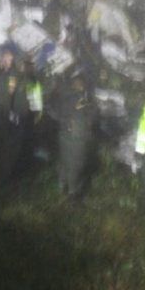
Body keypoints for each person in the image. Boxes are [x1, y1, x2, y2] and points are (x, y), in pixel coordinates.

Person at [54, 67, 97, 199]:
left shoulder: (64, 97)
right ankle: (73, 193)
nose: (82, 86)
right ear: (76, 85)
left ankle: (61, 187)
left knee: (65, 161)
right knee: (75, 164)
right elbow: (88, 116)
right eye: (81, 84)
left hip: (64, 135)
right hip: (75, 137)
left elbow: (59, 114)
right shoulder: (78, 99)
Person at [0, 41, 30, 184]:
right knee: (9, 148)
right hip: (10, 117)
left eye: (9, 58)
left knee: (9, 147)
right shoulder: (9, 76)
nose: (7, 61)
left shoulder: (11, 76)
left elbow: (9, 94)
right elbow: (7, 95)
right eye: (5, 58)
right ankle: (4, 177)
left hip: (11, 117)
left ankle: (4, 177)